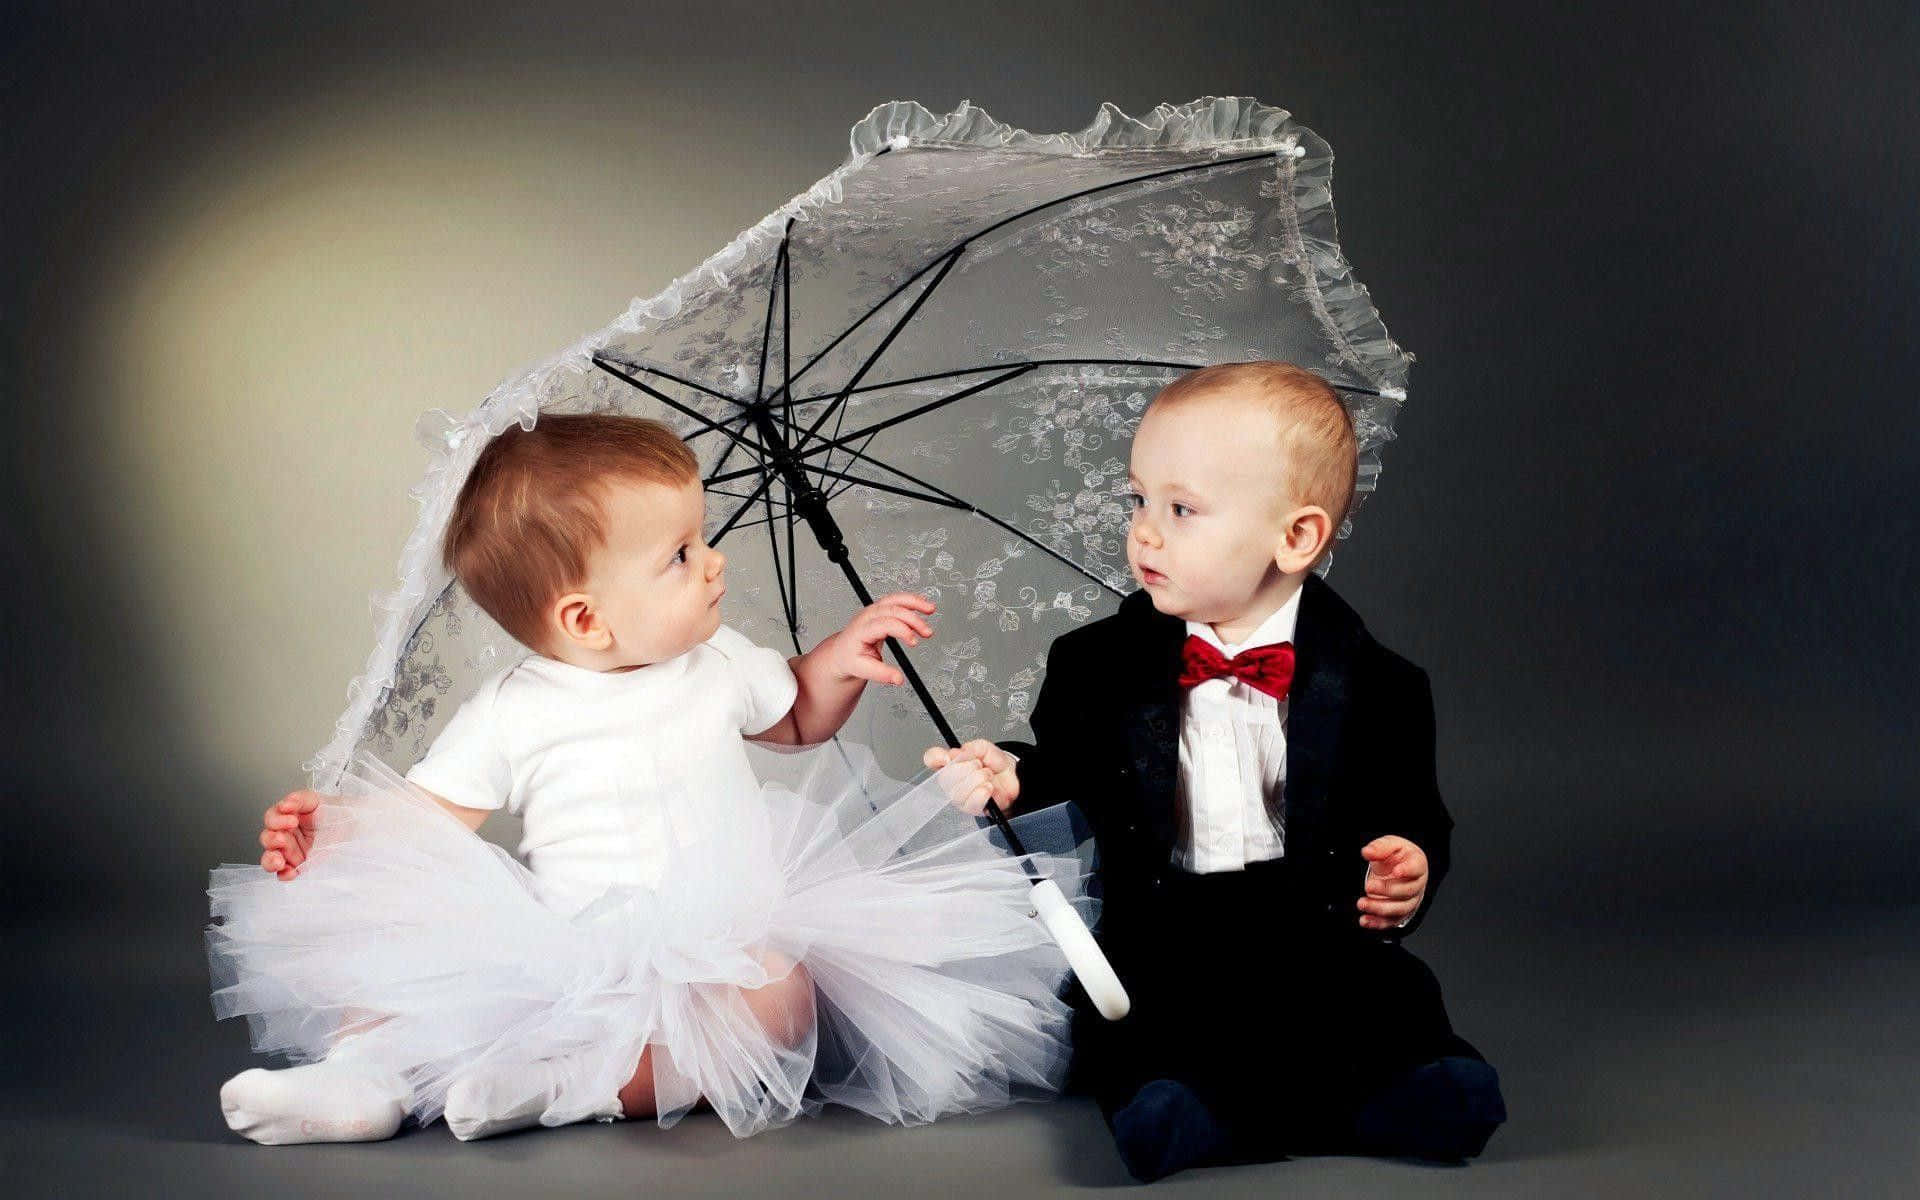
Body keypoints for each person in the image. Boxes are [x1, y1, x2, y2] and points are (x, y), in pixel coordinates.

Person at [211, 412, 1085, 1145]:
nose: (714, 562)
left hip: (729, 935)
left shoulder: (718, 660)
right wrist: (340, 829)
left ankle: (559, 1089)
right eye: (678, 555)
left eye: (701, 538)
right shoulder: (513, 711)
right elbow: (428, 820)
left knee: (776, 1001)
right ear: (585, 619)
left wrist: (842, 662)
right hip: (571, 947)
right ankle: (361, 1079)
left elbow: (792, 721)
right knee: (407, 968)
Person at [927, 362, 1506, 1181]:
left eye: (1181, 509)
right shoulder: (1096, 665)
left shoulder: (1382, 684)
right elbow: (1071, 777)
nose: (1144, 534)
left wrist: (1409, 866)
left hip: (1318, 932)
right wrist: (1014, 778)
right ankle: (1191, 1112)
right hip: (1169, 934)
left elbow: (1413, 810)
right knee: (1144, 1024)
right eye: (1138, 501)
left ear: (1296, 537)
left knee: (1389, 1007)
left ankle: (1391, 1096)